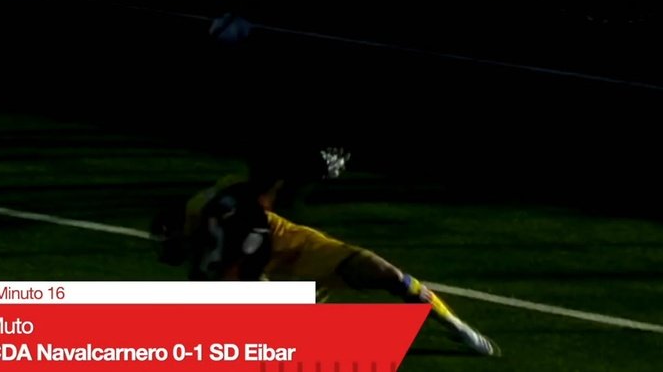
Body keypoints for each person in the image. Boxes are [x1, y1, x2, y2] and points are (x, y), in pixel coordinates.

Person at [152, 147, 500, 356]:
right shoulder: (213, 211)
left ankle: (456, 326)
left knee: (383, 272)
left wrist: (311, 170)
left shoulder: (241, 201)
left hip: (282, 243)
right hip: (238, 277)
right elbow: (185, 258)